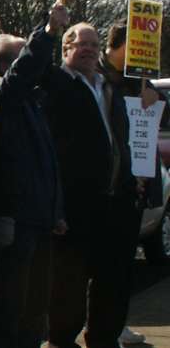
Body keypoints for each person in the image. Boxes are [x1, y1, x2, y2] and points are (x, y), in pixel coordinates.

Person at [41, 20, 143, 348]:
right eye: (79, 44)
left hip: (116, 202)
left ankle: (103, 338)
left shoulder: (109, 85)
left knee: (113, 281)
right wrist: (50, 29)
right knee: (68, 284)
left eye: (93, 45)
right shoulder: (55, 83)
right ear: (66, 48)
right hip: (75, 203)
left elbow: (144, 118)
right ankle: (61, 339)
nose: (87, 50)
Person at [0, 4, 67, 348]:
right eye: (24, 60)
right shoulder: (2, 98)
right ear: (7, 66)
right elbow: (24, 72)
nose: (40, 71)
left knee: (35, 306)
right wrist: (48, 32)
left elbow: (47, 163)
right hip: (15, 222)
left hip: (39, 218)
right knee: (11, 307)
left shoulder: (33, 104)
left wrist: (56, 210)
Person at [100, 22, 167, 347]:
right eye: (140, 46)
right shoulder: (100, 78)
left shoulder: (136, 82)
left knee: (122, 265)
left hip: (132, 188)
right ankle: (100, 327)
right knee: (99, 267)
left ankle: (115, 324)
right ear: (121, 45)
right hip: (104, 188)